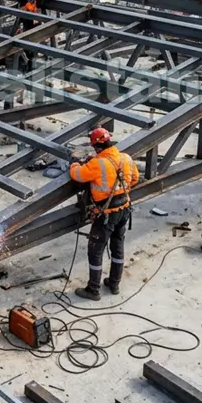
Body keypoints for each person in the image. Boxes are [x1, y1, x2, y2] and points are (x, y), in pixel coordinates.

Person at [68, 127, 141, 301]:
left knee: (95, 251)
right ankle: (114, 284)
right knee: (117, 246)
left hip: (106, 215)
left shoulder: (96, 164)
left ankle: (93, 290)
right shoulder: (126, 158)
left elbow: (77, 175)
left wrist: (75, 163)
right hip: (124, 210)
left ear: (97, 147)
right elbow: (135, 179)